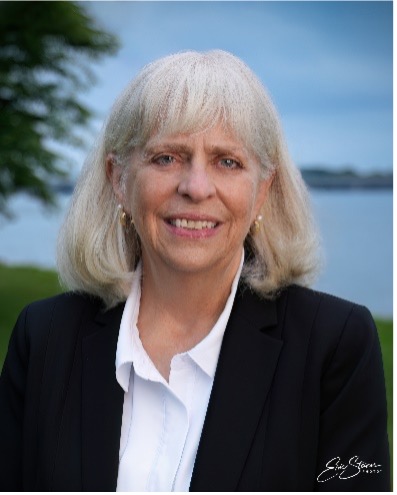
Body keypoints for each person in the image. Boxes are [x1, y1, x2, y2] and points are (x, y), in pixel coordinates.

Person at [0, 50, 390, 492]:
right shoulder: (45, 337)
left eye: (228, 162)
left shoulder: (334, 347)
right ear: (119, 179)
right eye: (167, 157)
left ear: (263, 191)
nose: (196, 188)